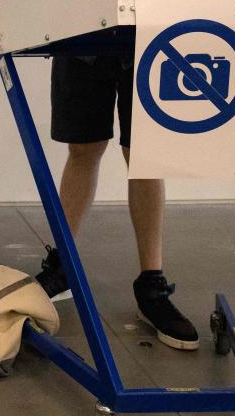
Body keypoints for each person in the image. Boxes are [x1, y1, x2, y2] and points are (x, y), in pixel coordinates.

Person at [34, 54, 200, 350]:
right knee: (83, 148)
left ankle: (152, 283)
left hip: (145, 35)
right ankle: (63, 266)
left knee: (143, 155)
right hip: (83, 37)